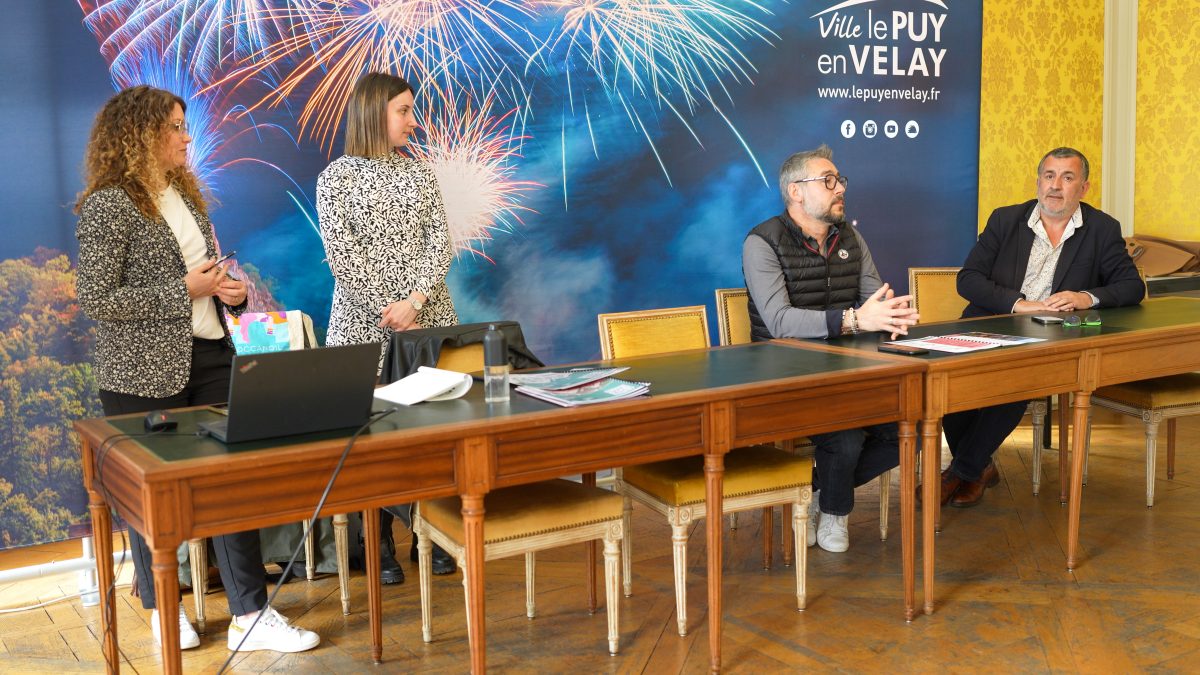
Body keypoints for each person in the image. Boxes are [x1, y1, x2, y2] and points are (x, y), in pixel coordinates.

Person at [75, 85, 319, 653]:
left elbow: (205, 282)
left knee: (233, 486)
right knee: (147, 500)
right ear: (141, 134)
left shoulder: (186, 196)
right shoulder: (111, 203)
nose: (188, 137)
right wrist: (184, 289)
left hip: (210, 357)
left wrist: (228, 294)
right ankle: (165, 612)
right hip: (138, 376)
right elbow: (98, 297)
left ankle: (250, 615)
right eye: (176, 127)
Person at [936, 147, 1145, 508]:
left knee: (1018, 379)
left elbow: (1131, 287)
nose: (1055, 186)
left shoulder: (1101, 229)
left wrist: (1085, 297)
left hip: (1048, 339)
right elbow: (969, 279)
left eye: (1067, 177)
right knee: (947, 383)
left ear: (1084, 187)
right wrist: (1018, 303)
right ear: (1037, 182)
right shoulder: (1005, 220)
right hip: (991, 324)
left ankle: (961, 473)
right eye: (1049, 176)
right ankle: (977, 467)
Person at [315, 72, 458, 583]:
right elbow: (343, 259)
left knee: (430, 434)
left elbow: (439, 242)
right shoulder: (335, 178)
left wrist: (415, 302)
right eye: (403, 110)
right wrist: (390, 308)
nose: (412, 120)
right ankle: (377, 543)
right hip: (363, 327)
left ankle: (433, 533)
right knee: (372, 436)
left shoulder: (419, 173)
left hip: (428, 321)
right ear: (375, 112)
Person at [742, 144, 919, 552]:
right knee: (845, 436)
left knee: (910, 430)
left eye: (839, 180)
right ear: (795, 192)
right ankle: (836, 513)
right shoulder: (761, 242)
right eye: (828, 180)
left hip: (846, 367)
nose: (839, 188)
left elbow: (875, 298)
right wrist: (855, 319)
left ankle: (812, 491)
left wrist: (894, 315)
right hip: (783, 370)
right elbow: (780, 322)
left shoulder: (851, 237)